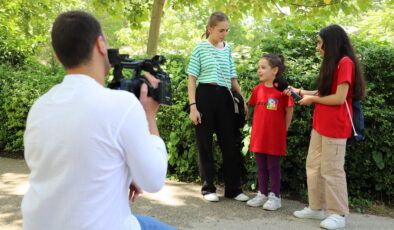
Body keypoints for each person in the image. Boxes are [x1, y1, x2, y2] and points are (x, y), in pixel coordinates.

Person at [21, 11, 176, 230]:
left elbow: (67, 162)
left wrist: (121, 174)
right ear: (101, 45)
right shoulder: (121, 104)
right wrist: (149, 115)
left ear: (58, 56)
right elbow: (154, 180)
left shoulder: (41, 106)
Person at [288, 24, 366, 230]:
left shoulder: (345, 63)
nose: (317, 47)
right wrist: (302, 91)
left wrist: (312, 99)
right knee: (313, 165)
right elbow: (325, 92)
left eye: (320, 43)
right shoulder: (332, 63)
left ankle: (338, 214)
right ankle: (317, 208)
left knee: (332, 170)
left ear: (331, 43)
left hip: (336, 126)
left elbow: (340, 98)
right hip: (321, 124)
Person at [187, 11, 249, 202]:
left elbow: (232, 77)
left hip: (225, 97)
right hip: (204, 95)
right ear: (210, 29)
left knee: (229, 143)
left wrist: (242, 98)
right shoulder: (199, 48)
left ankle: (233, 189)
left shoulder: (228, 48)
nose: (224, 34)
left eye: (226, 30)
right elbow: (192, 79)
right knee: (205, 144)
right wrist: (193, 106)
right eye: (221, 30)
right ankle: (208, 189)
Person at [246, 54, 294, 211]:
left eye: (263, 67)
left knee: (273, 166)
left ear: (274, 70)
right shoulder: (257, 89)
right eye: (258, 67)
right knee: (260, 166)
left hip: (275, 136)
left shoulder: (282, 90)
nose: (259, 70)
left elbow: (289, 110)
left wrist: (284, 129)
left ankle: (275, 197)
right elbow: (255, 111)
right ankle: (262, 194)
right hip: (259, 136)